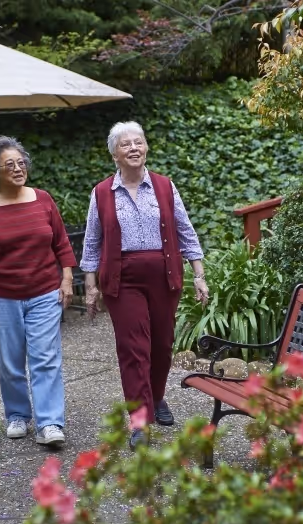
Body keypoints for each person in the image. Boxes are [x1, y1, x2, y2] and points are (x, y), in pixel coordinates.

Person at [81, 121, 209, 450]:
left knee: (162, 346)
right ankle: (139, 419)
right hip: (122, 280)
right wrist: (91, 285)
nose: (134, 148)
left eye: (139, 142)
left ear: (146, 148)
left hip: (165, 275)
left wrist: (198, 274)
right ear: (114, 154)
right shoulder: (101, 193)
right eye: (126, 144)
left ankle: (156, 397)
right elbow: (92, 242)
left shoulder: (165, 187)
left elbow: (185, 230)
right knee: (134, 349)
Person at [0, 135, 76, 447]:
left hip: (43, 292)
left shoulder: (43, 199)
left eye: (21, 162)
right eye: (9, 164)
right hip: (0, 297)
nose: (18, 168)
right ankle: (17, 414)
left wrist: (66, 278)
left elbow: (61, 243)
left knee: (45, 358)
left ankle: (50, 423)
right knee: (10, 363)